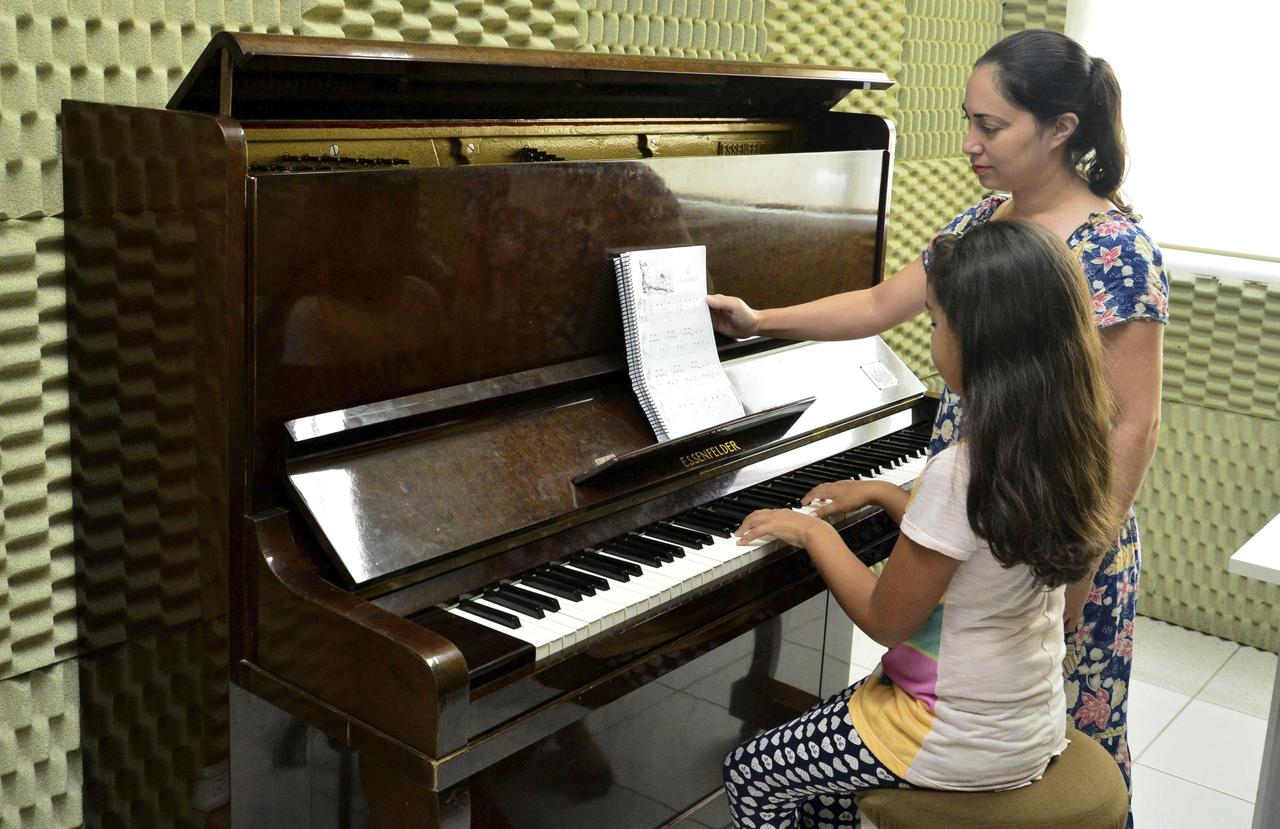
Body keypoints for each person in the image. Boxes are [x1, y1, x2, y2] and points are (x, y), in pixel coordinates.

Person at [709, 29, 1166, 821]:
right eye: (969, 120)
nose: (970, 143)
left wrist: (1077, 566)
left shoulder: (1116, 249)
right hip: (980, 510)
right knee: (969, 690)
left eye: (991, 126)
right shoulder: (983, 222)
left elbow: (1134, 425)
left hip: (1061, 526)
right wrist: (759, 320)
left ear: (1060, 128)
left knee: (1041, 734)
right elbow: (881, 302)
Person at [722, 220, 1117, 828]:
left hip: (946, 733)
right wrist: (883, 492)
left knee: (750, 772)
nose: (933, 340)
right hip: (1025, 721)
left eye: (936, 324)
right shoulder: (1062, 444)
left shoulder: (962, 471)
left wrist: (813, 533)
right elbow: (979, 546)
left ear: (981, 342)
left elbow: (886, 620)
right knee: (823, 784)